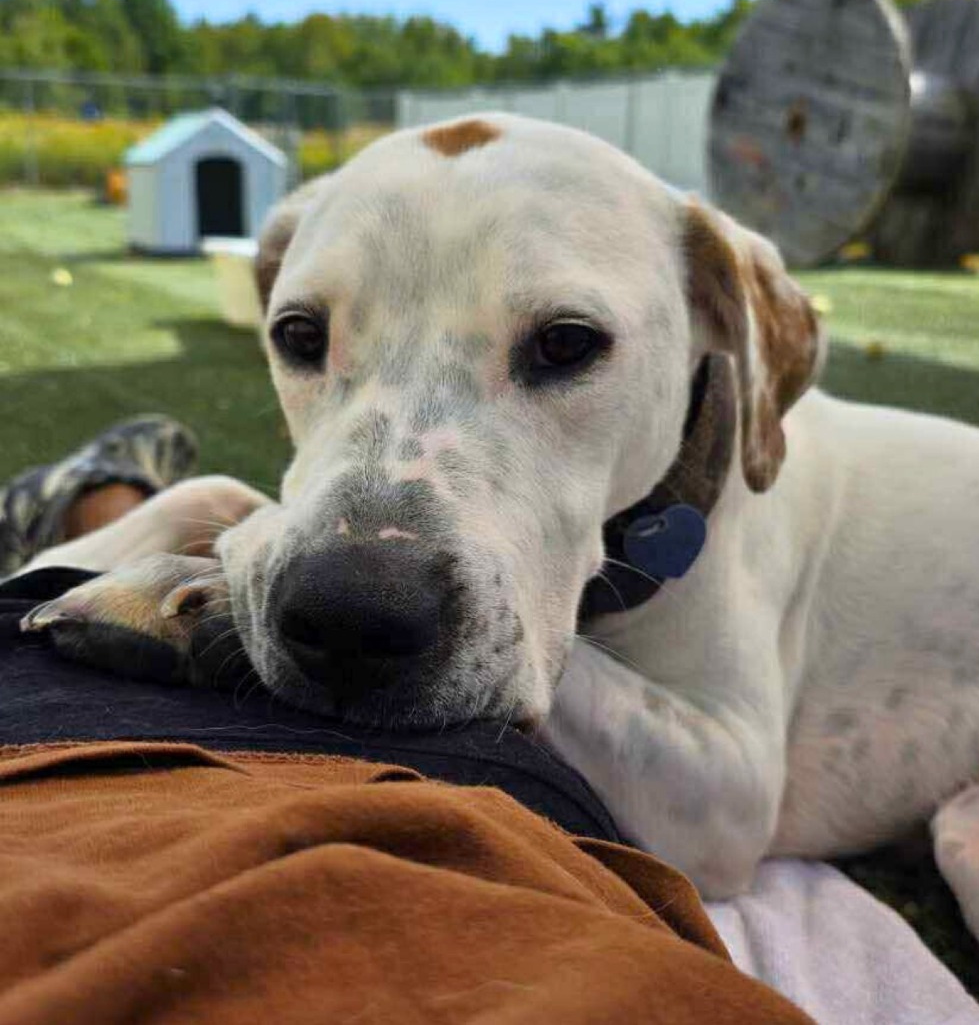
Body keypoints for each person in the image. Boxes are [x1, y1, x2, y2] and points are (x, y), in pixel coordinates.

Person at [0, 418, 813, 1025]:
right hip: (482, 812)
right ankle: (107, 506)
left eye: (561, 348)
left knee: (56, 612)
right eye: (305, 338)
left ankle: (88, 510)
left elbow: (723, 832)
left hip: (58, 764)